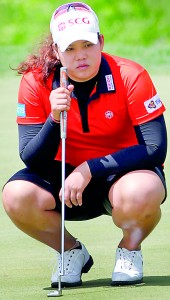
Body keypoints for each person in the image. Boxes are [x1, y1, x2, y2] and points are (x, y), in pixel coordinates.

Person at [2, 2, 167, 287]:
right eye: (70, 49)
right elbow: (31, 158)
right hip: (62, 181)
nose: (81, 56)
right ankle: (70, 252)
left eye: (88, 45)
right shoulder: (35, 82)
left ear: (101, 41)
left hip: (122, 175)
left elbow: (155, 148)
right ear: (56, 51)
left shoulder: (130, 75)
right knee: (16, 195)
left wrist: (89, 168)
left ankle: (130, 249)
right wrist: (54, 119)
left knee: (145, 190)